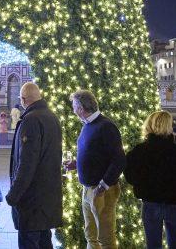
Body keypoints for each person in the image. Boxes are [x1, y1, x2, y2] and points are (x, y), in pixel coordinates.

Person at [65, 89, 126, 249]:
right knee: (90, 236)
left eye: (74, 106)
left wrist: (103, 185)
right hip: (88, 189)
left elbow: (119, 160)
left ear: (80, 108)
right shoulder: (87, 125)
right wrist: (77, 164)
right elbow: (95, 154)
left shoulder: (106, 126)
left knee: (105, 239)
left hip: (102, 191)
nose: (73, 110)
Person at [6, 82, 62, 249]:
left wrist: (13, 195)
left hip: (31, 200)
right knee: (44, 241)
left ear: (23, 99)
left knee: (30, 242)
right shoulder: (52, 117)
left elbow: (27, 163)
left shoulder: (30, 120)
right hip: (47, 197)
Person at [124, 111, 176, 249]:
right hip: (174, 203)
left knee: (153, 244)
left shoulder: (140, 150)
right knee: (175, 244)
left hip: (151, 202)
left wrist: (141, 186)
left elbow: (129, 174)